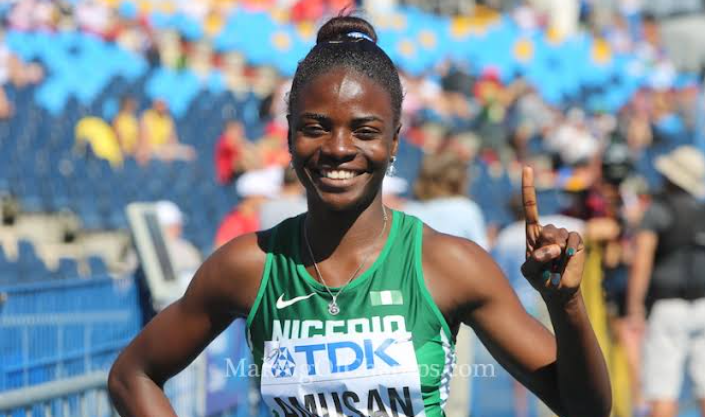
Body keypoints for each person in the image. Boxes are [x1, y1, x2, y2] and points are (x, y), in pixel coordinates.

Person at [108, 15, 611, 417]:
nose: (339, 148)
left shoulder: (448, 265)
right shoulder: (249, 267)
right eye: (316, 127)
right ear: (288, 135)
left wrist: (565, 304)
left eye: (365, 131)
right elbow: (133, 375)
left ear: (394, 141)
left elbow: (585, 409)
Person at [626, 146, 705, 417]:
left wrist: (634, 306)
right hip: (704, 304)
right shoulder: (702, 210)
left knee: (662, 391)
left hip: (668, 308)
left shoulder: (657, 211)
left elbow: (642, 261)